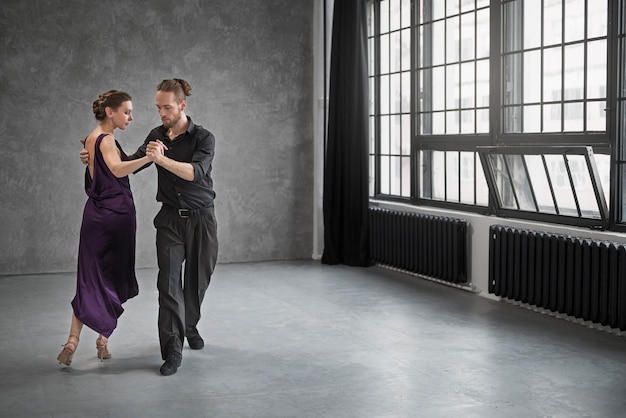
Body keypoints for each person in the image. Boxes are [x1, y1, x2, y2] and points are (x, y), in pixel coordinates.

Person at [80, 79, 218, 376]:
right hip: (169, 220)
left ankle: (189, 325)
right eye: (158, 107)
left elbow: (195, 173)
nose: (161, 112)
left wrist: (162, 159)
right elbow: (128, 163)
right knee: (168, 286)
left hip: (202, 219)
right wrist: (94, 161)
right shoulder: (156, 135)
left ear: (182, 105)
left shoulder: (204, 138)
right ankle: (172, 351)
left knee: (195, 285)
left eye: (166, 107)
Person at [58, 90, 153, 367]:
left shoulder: (90, 137)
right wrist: (149, 159)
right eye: (127, 112)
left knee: (89, 277)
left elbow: (97, 171)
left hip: (93, 217)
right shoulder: (108, 139)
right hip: (116, 217)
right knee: (112, 276)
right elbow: (117, 169)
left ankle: (73, 340)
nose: (131, 117)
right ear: (110, 112)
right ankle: (102, 340)